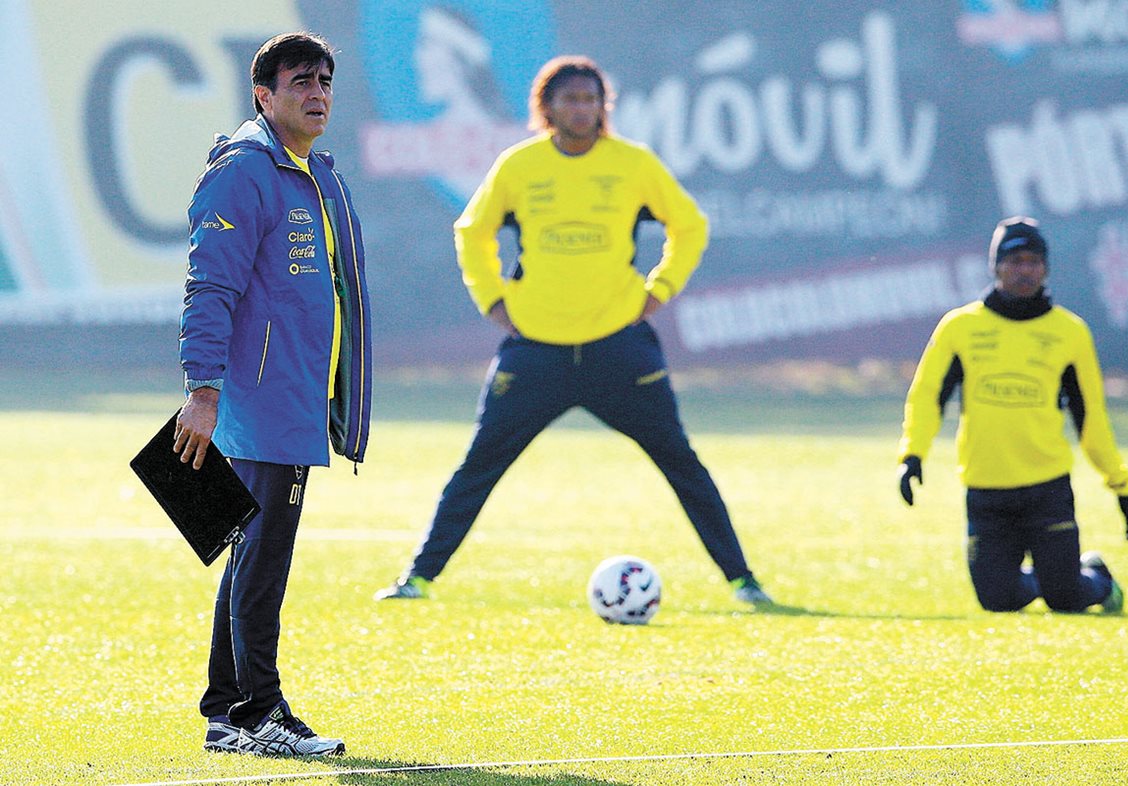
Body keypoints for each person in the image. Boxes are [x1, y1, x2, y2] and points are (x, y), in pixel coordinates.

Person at [375, 55, 772, 607]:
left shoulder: (632, 163)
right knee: (478, 466)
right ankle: (417, 578)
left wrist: (660, 289)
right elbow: (472, 231)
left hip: (619, 347)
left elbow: (690, 224)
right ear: (547, 107)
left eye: (591, 99)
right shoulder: (520, 165)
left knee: (681, 463)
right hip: (536, 350)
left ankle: (743, 581)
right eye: (570, 99)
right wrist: (492, 299)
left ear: (603, 107)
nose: (581, 109)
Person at [175, 32, 372, 756]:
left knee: (246, 555)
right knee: (263, 562)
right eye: (299, 82)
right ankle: (263, 712)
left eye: (324, 80)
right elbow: (209, 287)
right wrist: (202, 390)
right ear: (264, 94)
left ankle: (227, 713)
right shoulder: (245, 172)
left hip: (288, 399)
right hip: (258, 404)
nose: (317, 92)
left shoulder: (310, 172)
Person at [897, 216, 1128, 614]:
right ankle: (1049, 575)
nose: (1024, 270)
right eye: (1014, 261)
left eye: (1032, 261)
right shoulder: (960, 327)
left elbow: (1091, 417)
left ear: (1045, 267)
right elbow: (926, 397)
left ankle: (1098, 578)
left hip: (1046, 487)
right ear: (995, 266)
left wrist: (1120, 485)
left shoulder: (1070, 332)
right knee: (998, 601)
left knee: (1066, 599)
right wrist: (912, 455)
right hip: (986, 488)